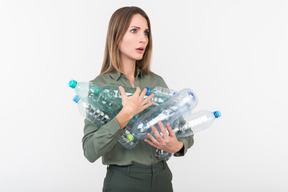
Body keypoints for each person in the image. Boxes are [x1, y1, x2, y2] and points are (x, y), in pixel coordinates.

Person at [82, 6, 194, 192]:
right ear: (116, 35)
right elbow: (90, 151)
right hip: (123, 182)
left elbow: (185, 132)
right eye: (134, 31)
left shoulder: (156, 82)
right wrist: (123, 117)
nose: (143, 39)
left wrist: (177, 145)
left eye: (146, 32)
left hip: (162, 179)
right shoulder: (99, 88)